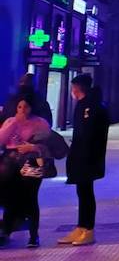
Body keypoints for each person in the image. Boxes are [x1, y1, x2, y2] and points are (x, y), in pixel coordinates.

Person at [60, 74, 109, 247]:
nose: (72, 91)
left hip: (88, 158)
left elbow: (90, 135)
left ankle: (88, 229)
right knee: (82, 192)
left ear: (77, 88)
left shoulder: (93, 107)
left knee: (86, 193)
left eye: (73, 87)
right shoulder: (83, 105)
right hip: (81, 156)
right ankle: (81, 226)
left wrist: (84, 153)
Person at [0, 94, 52, 248]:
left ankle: (33, 235)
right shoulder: (10, 121)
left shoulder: (40, 123)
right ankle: (6, 231)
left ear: (32, 107)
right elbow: (1, 140)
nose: (23, 110)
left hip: (31, 162)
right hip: (11, 164)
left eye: (26, 106)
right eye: (19, 107)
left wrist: (33, 147)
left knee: (31, 198)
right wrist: (14, 122)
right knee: (10, 197)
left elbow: (48, 143)